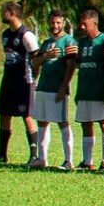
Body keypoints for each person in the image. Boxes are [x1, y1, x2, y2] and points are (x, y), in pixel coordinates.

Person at [69, 9, 104, 171]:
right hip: (84, 89)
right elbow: (79, 66)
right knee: (86, 124)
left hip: (99, 90)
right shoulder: (81, 43)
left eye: (85, 24)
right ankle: (87, 161)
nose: (82, 27)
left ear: (94, 23)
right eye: (81, 23)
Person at [0, 1, 37, 166]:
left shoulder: (26, 35)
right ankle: (2, 154)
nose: (1, 14)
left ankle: (34, 155)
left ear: (11, 14)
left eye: (3, 12)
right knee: (4, 116)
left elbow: (36, 59)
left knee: (27, 116)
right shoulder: (5, 35)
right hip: (8, 81)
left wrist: (34, 79)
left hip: (24, 82)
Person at [29, 11, 76, 170]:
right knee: (42, 121)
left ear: (63, 23)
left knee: (62, 122)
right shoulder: (46, 43)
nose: (54, 25)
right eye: (52, 22)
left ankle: (68, 160)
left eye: (58, 22)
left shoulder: (69, 42)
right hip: (43, 87)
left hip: (58, 89)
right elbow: (35, 64)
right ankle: (42, 158)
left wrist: (64, 87)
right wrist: (46, 56)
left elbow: (71, 67)